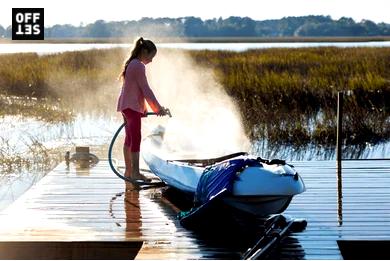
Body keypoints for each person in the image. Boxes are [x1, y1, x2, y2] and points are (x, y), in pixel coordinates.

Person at [117, 37, 166, 187]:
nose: (151, 61)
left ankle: (129, 171)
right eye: (151, 57)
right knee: (136, 139)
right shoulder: (138, 66)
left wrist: (143, 109)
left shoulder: (132, 63)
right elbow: (146, 90)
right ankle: (135, 172)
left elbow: (134, 89)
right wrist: (158, 109)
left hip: (127, 106)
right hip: (130, 107)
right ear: (144, 51)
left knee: (129, 139)